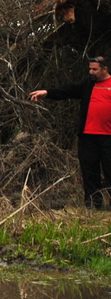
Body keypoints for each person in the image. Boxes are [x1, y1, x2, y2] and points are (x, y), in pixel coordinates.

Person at [30, 56, 111, 209]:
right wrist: (47, 93)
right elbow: (68, 90)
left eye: (95, 69)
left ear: (105, 69)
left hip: (108, 137)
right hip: (88, 136)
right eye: (90, 69)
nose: (91, 72)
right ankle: (93, 204)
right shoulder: (88, 84)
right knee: (89, 170)